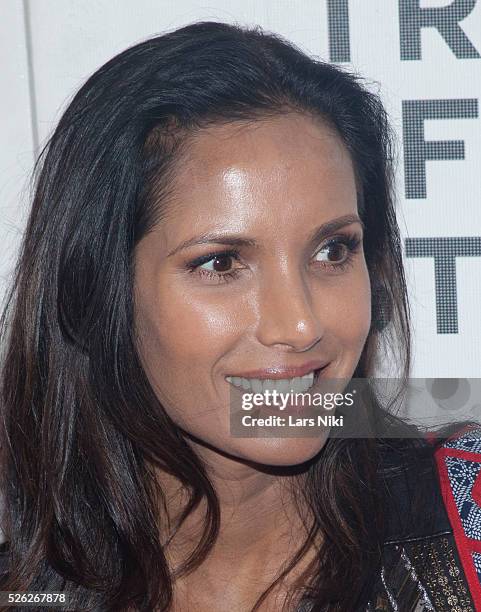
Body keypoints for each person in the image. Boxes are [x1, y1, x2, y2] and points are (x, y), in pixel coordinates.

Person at [0, 20, 480, 612]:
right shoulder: (22, 589)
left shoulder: (469, 521)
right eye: (222, 263)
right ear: (95, 289)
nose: (300, 325)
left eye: (333, 251)